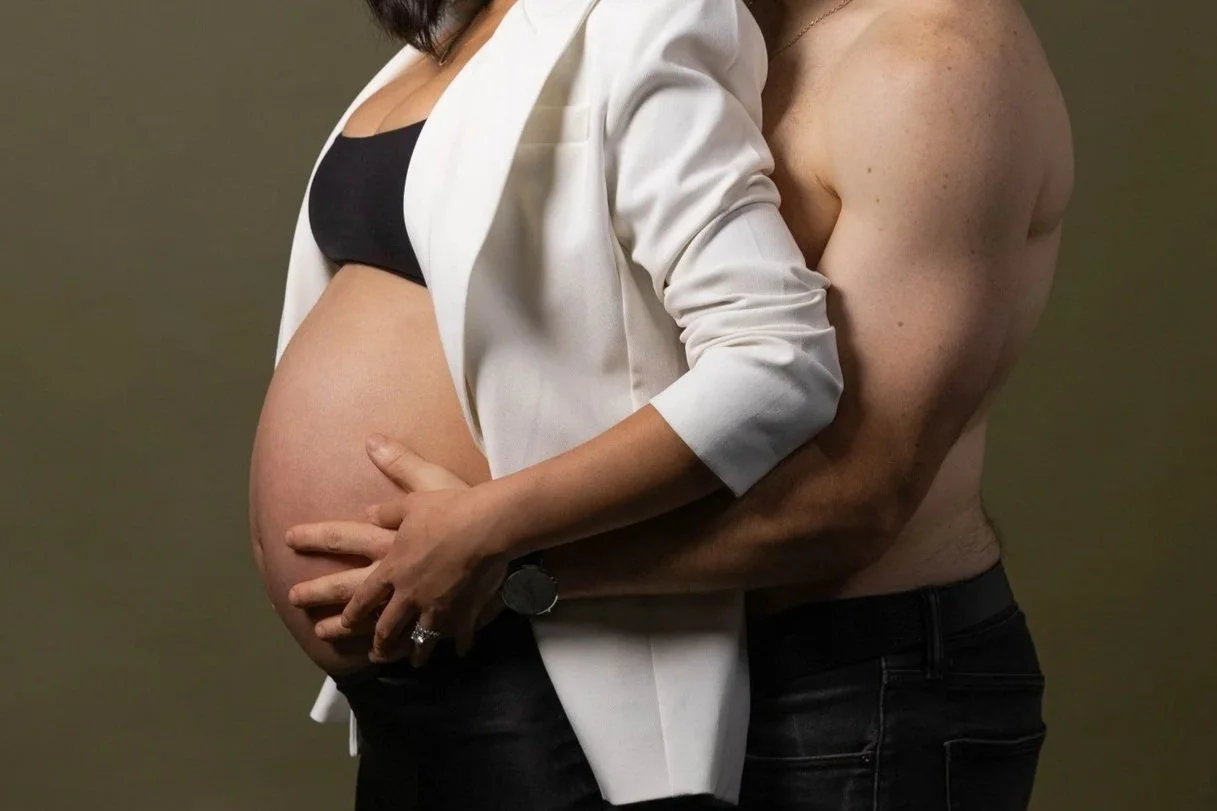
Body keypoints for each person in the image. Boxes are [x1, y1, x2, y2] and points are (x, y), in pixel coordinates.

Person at [283, 0, 1075, 808]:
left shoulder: (933, 65)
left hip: (846, 686)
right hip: (639, 660)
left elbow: (856, 496)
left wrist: (505, 564)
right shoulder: (660, 22)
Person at [251, 0, 847, 808]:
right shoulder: (448, 42)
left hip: (538, 678)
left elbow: (776, 357)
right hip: (409, 694)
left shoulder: (651, 15)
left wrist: (488, 527)